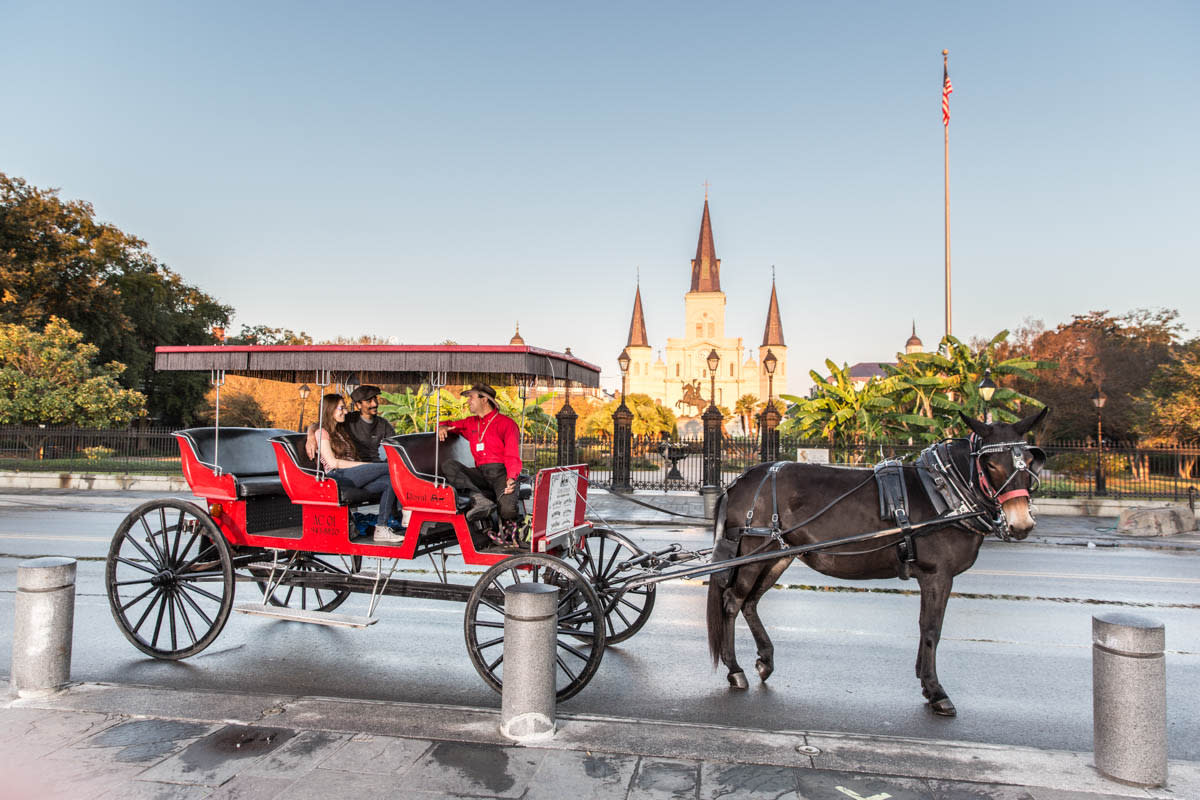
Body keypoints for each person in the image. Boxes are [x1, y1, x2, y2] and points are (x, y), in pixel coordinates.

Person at [437, 384, 523, 543]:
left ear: (484, 400)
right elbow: (448, 424)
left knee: (508, 510)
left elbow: (512, 455)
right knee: (449, 465)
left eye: (471, 397)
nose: (468, 401)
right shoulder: (470, 422)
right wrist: (442, 426)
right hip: (480, 474)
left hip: (501, 473)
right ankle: (479, 499)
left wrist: (511, 478)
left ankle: (510, 531)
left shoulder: (507, 424)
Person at [315, 393, 402, 542]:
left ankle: (381, 527)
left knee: (389, 480)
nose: (346, 412)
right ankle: (407, 510)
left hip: (352, 475)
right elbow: (333, 462)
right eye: (341, 408)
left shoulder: (341, 431)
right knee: (391, 468)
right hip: (338, 476)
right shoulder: (321, 432)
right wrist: (368, 466)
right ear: (330, 410)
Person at [307, 384, 395, 463]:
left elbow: (395, 446)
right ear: (358, 405)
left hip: (374, 463)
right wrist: (311, 436)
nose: (375, 404)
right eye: (369, 401)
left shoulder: (383, 424)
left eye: (375, 399)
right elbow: (321, 424)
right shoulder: (348, 419)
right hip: (355, 465)